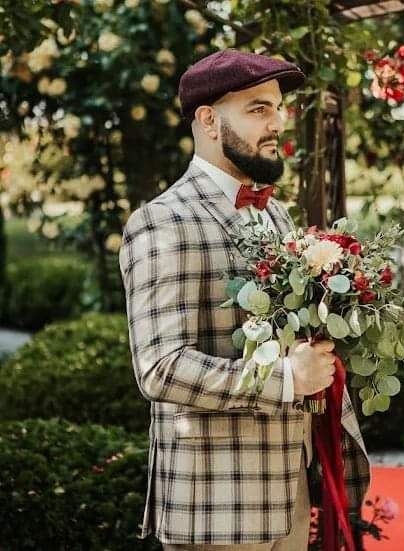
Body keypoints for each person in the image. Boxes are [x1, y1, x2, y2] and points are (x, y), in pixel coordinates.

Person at [118, 49, 371, 550]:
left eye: (278, 108)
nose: (277, 123)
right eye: (258, 109)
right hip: (216, 507)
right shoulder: (163, 222)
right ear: (209, 121)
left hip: (289, 492)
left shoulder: (276, 215)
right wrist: (286, 378)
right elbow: (160, 368)